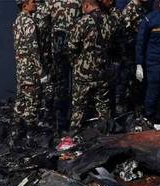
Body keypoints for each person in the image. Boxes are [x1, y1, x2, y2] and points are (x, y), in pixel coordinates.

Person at [68, 0, 112, 131]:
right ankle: (106, 134)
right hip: (103, 71)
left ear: (87, 5)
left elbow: (71, 46)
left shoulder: (83, 22)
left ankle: (73, 134)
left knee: (79, 106)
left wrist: (75, 63)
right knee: (103, 105)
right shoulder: (109, 20)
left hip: (84, 72)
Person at [46, 0, 83, 131]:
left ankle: (61, 123)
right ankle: (72, 122)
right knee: (74, 85)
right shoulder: (78, 2)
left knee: (61, 85)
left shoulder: (51, 2)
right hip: (72, 48)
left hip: (59, 48)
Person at [13, 0, 45, 133]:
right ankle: (30, 132)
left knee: (21, 97)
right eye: (32, 1)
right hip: (30, 67)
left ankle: (16, 129)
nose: (36, 3)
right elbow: (33, 48)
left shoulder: (17, 21)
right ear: (24, 5)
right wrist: (41, 71)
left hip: (21, 66)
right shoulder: (29, 22)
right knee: (33, 98)